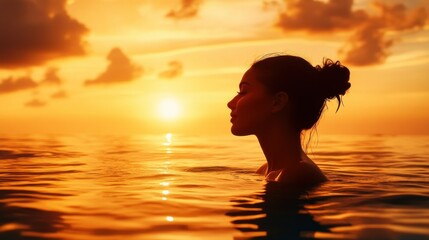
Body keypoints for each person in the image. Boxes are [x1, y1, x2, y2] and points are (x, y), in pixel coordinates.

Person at [227, 54, 350, 187]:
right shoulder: (264, 171)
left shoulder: (297, 173)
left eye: (243, 91)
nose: (230, 103)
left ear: (277, 102)